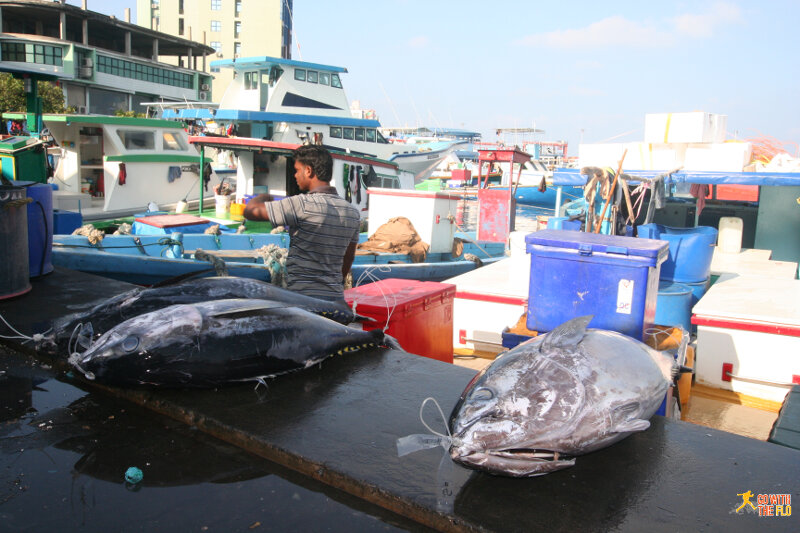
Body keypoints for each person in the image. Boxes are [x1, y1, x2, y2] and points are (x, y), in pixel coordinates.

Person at [244, 145, 360, 302]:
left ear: (309, 171)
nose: (295, 175)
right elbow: (348, 260)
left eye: (297, 170)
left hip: (303, 300)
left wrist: (267, 196)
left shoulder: (301, 204)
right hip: (335, 301)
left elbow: (250, 211)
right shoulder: (352, 213)